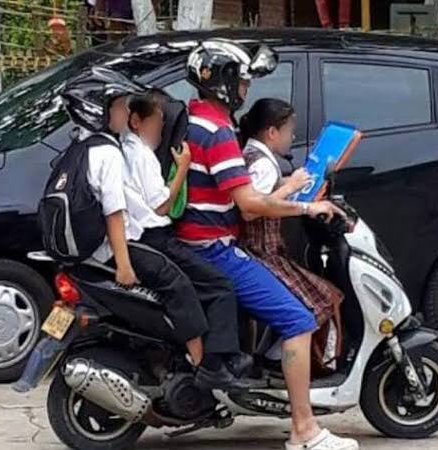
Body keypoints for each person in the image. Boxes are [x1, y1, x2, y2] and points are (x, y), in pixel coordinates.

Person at [177, 40, 359, 450]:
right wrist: (306, 207)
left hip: (192, 243)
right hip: (213, 248)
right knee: (298, 321)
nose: (245, 89)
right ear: (223, 82)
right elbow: (250, 204)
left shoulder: (193, 119)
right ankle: (304, 430)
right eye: (242, 81)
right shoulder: (218, 131)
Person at [65, 72, 247, 389]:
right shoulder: (116, 153)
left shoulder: (87, 145)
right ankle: (209, 365)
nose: (123, 112)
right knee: (210, 285)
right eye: (118, 106)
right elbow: (122, 211)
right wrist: (123, 264)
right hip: (144, 239)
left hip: (114, 245)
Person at [120, 91, 251, 388]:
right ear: (137, 121)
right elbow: (162, 206)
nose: (159, 132)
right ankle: (213, 364)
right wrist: (182, 167)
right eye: (156, 124)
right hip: (155, 237)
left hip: (144, 238)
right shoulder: (141, 155)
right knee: (219, 286)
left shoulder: (125, 150)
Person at [239, 98, 344, 369]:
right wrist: (292, 189)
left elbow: (263, 191)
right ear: (272, 132)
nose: (292, 137)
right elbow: (254, 208)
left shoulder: (252, 154)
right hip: (262, 253)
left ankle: (274, 355)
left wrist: (293, 183)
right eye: (288, 131)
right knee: (322, 298)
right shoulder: (262, 164)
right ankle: (280, 361)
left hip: (260, 250)